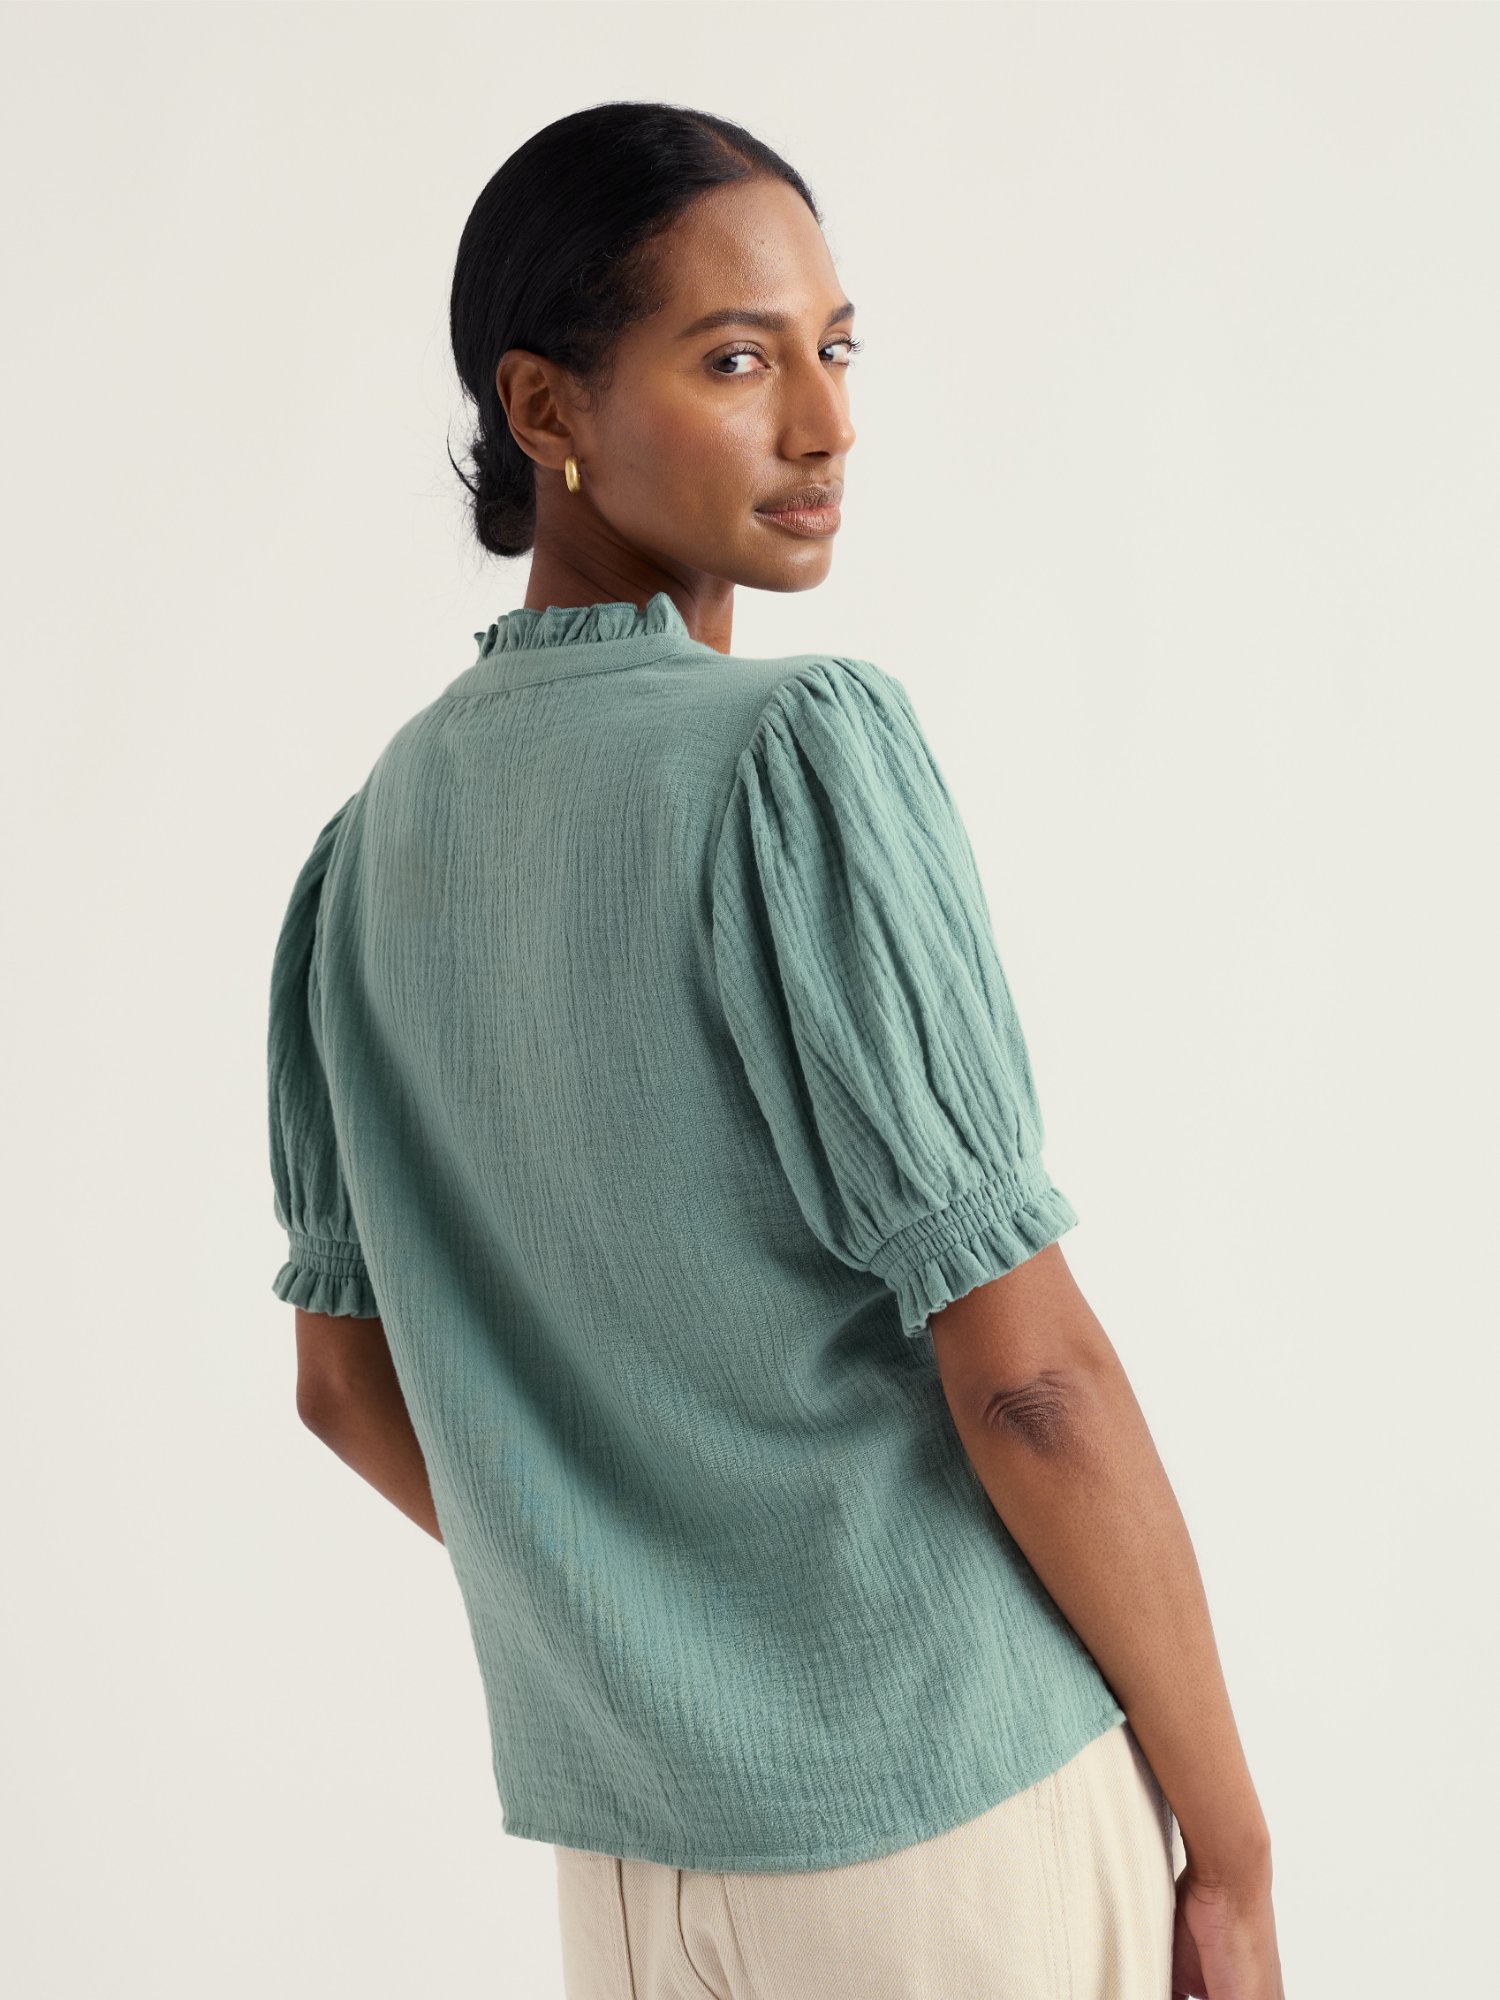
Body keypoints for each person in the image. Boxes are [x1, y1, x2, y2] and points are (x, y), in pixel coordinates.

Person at [266, 101, 1285, 2000]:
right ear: (546, 408)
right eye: (736, 361)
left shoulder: (363, 851)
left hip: (634, 1865)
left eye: (836, 347)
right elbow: (1031, 1379)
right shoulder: (792, 752)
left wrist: (643, 1616)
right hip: (952, 1803)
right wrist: (1230, 1853)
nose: (824, 424)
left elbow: (343, 1387)